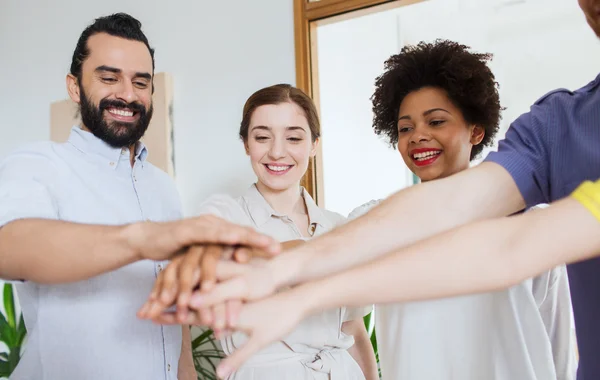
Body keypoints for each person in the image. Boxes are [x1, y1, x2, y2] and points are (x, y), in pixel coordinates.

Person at [0, 13, 278, 380]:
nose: (127, 94)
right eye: (108, 77)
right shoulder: (38, 164)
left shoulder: (162, 186)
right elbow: (9, 247)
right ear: (74, 87)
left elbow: (174, 316)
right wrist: (143, 238)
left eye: (140, 82)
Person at [344, 40, 574, 380]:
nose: (417, 136)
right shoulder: (377, 224)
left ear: (476, 130)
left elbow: (559, 347)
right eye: (405, 128)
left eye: (436, 122)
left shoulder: (529, 228)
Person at [142, 84, 378, 379]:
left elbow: (352, 329)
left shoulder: (339, 225)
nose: (277, 152)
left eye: (293, 138)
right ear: (246, 144)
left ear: (314, 144)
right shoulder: (223, 221)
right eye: (263, 137)